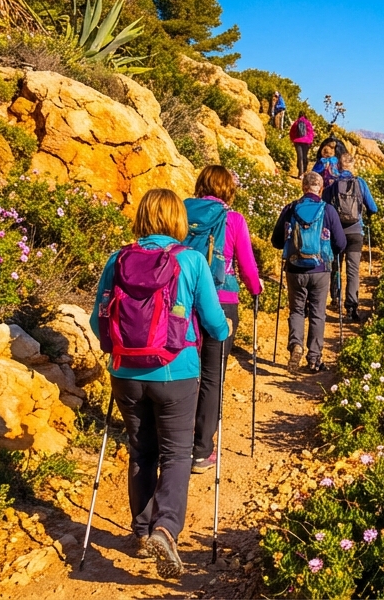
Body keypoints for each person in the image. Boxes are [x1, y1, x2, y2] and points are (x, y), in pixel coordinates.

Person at [90, 189, 230, 579]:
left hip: (125, 373)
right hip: (176, 372)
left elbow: (95, 321)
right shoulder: (191, 260)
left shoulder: (117, 259)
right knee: (176, 454)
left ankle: (140, 529)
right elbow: (215, 323)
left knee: (141, 451)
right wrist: (225, 327)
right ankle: (166, 527)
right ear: (177, 221)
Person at [182, 165, 263, 475]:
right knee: (213, 376)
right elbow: (246, 265)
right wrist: (255, 289)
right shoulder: (234, 219)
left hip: (182, 303)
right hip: (221, 302)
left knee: (187, 371)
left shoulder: (182, 212)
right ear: (229, 188)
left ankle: (175, 441)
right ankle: (201, 451)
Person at [270, 172, 346, 372]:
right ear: (320, 189)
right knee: (317, 313)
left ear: (303, 188)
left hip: (294, 269)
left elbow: (276, 241)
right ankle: (314, 359)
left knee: (296, 310)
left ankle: (296, 345)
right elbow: (340, 243)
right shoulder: (328, 210)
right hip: (320, 269)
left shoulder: (291, 208)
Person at [321, 152, 378, 321]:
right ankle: (351, 307)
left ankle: (336, 297)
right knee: (353, 271)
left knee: (336, 266)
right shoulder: (360, 183)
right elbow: (373, 208)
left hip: (336, 233)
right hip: (355, 233)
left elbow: (323, 205)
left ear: (338, 167)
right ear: (353, 166)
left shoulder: (332, 186)